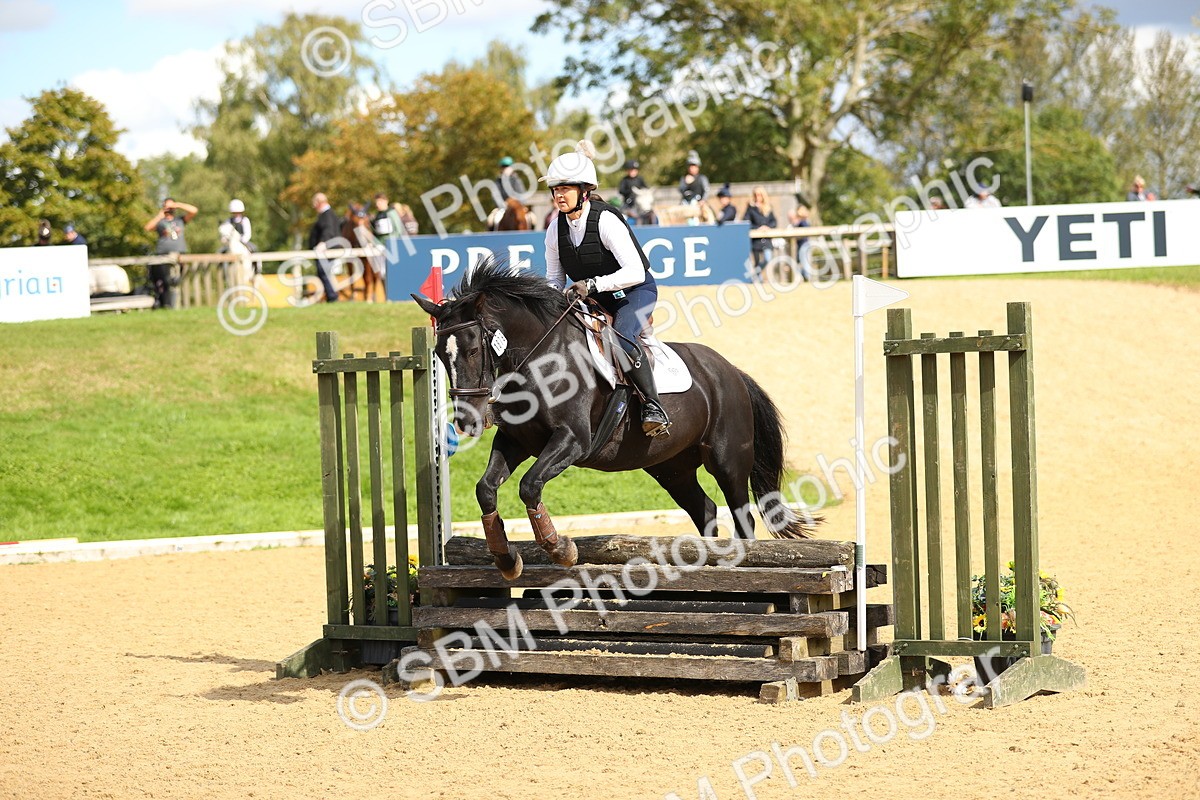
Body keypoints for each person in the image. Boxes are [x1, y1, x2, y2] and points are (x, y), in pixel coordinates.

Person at [543, 140, 671, 437]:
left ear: (583, 191)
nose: (558, 195)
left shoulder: (606, 220)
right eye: (555, 189)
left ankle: (654, 406)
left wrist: (592, 284)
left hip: (634, 292)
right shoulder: (554, 229)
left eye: (565, 188)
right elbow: (553, 279)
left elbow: (635, 271)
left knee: (621, 339)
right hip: (594, 298)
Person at [144, 197, 197, 308]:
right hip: (163, 255)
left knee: (178, 279)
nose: (169, 209)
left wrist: (177, 205)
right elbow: (147, 227)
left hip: (180, 254)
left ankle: (180, 303)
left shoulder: (180, 220)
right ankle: (168, 304)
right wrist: (160, 215)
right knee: (166, 281)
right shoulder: (160, 222)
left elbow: (194, 210)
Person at [307, 192, 341, 303]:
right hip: (327, 250)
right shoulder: (327, 214)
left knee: (324, 273)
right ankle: (329, 296)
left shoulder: (327, 215)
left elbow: (328, 230)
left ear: (318, 203)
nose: (313, 207)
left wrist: (322, 243)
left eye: (314, 204)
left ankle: (332, 297)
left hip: (327, 250)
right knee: (323, 273)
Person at [742, 186, 777, 277]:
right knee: (756, 262)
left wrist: (767, 227)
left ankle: (755, 274)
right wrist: (758, 228)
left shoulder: (768, 207)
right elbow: (746, 222)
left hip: (767, 239)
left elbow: (774, 221)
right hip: (756, 240)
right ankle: (758, 280)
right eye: (756, 195)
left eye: (760, 195)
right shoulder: (751, 208)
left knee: (767, 258)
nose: (758, 197)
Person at [618, 159, 649, 225]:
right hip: (628, 204)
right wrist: (630, 192)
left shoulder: (640, 179)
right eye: (631, 170)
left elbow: (646, 188)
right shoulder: (625, 180)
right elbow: (621, 191)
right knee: (623, 214)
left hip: (640, 203)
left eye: (634, 170)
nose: (633, 172)